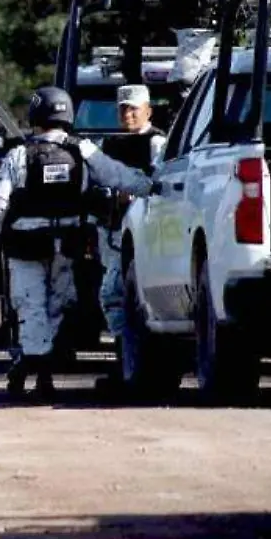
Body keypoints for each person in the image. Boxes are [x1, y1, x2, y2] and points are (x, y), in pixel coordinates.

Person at [0, 86, 154, 399]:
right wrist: (152, 185)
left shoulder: (20, 154)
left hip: (26, 245)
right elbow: (119, 177)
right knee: (57, 303)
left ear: (36, 116)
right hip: (68, 243)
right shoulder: (83, 150)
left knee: (30, 304)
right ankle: (36, 368)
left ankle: (37, 371)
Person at [90, 85, 167, 389]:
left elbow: (159, 182)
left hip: (147, 232)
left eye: (134, 108)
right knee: (115, 298)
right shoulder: (108, 143)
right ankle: (126, 363)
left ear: (148, 110)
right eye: (123, 108)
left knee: (117, 294)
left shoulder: (156, 142)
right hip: (112, 231)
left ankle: (131, 365)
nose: (128, 113)